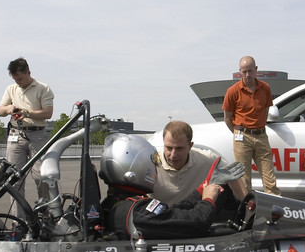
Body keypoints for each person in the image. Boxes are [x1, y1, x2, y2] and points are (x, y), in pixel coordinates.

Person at [99, 133, 241, 240]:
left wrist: (202, 188)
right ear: (136, 166)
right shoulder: (138, 213)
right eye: (153, 163)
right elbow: (197, 222)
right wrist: (208, 199)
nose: (155, 168)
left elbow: (171, 213)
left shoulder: (120, 204)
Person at [0, 57, 55, 216]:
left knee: (41, 176)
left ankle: (45, 214)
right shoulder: (11, 89)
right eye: (15, 79)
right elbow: (0, 111)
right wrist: (9, 109)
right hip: (16, 134)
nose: (18, 82)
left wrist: (27, 113)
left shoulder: (43, 88)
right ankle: (19, 220)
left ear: (28, 72)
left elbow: (48, 113)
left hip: (37, 135)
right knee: (14, 179)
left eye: (20, 79)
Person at [153, 120, 247, 207]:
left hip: (191, 215)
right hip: (158, 216)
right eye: (169, 148)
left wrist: (246, 203)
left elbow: (231, 174)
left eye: (179, 148)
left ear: (190, 146)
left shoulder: (207, 158)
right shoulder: (150, 160)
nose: (173, 155)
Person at [222, 55, 280, 195]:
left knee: (270, 179)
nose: (247, 75)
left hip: (261, 136)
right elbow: (227, 118)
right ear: (240, 72)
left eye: (250, 71)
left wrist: (259, 126)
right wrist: (238, 133)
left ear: (256, 70)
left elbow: (265, 110)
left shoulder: (265, 88)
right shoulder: (233, 91)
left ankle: (273, 205)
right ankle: (246, 207)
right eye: (244, 71)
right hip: (242, 137)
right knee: (244, 180)